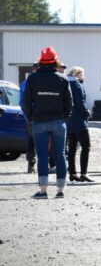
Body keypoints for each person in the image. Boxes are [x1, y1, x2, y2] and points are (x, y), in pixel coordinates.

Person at [20, 47, 71, 199]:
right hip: (58, 121)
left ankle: (43, 191)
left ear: (40, 62)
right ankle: (60, 190)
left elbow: (25, 102)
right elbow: (69, 103)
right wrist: (64, 118)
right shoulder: (62, 78)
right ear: (56, 61)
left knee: (41, 155)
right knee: (60, 155)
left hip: (39, 121)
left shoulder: (33, 78)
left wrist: (30, 117)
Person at [65, 66, 94, 183]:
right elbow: (80, 102)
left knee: (72, 148)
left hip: (69, 122)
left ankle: (72, 173)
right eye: (82, 74)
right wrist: (87, 112)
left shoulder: (65, 85)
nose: (83, 77)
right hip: (79, 122)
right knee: (86, 147)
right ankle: (83, 174)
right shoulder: (77, 85)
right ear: (76, 75)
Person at [20, 65, 38, 174]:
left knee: (32, 139)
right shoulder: (31, 82)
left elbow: (22, 101)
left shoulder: (26, 82)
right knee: (35, 138)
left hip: (30, 114)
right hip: (34, 114)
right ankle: (33, 164)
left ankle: (31, 165)